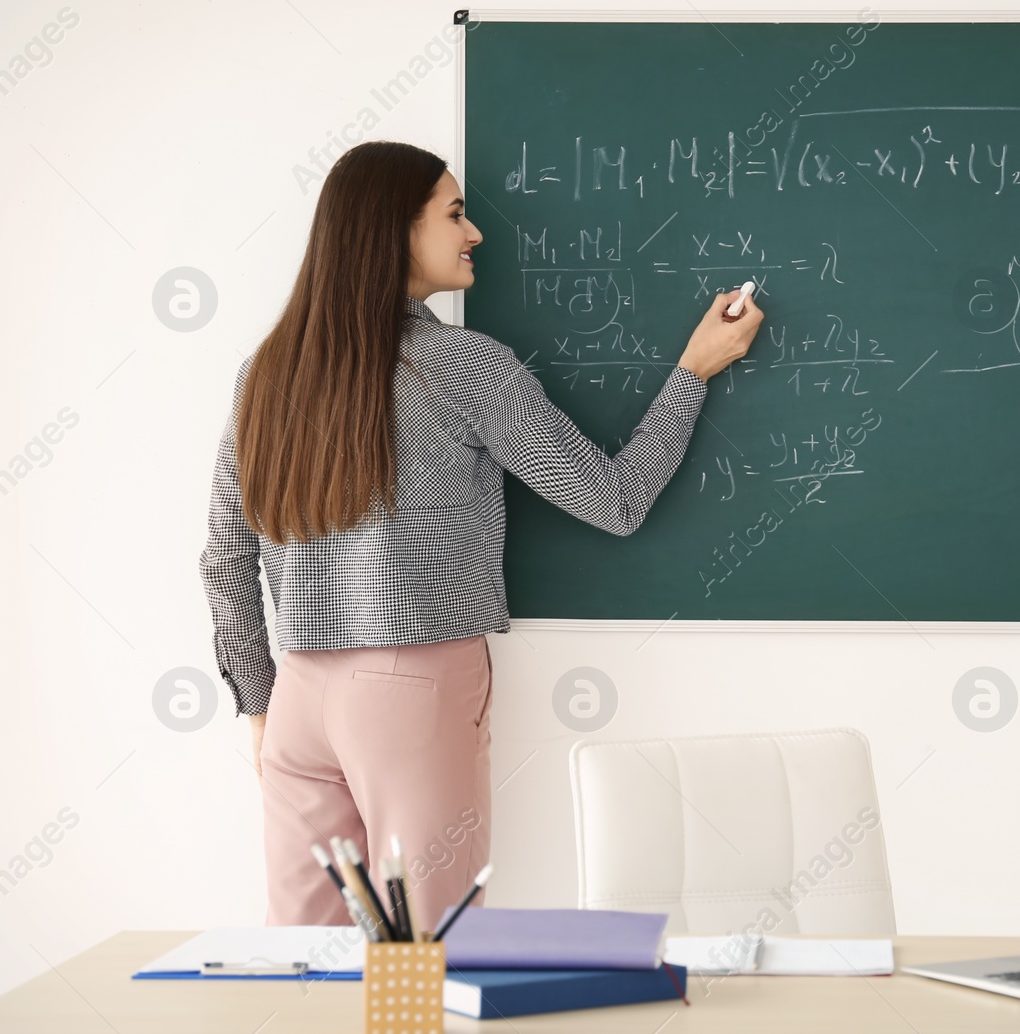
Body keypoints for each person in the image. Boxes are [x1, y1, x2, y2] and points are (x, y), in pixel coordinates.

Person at [198, 140, 763, 926]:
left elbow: (225, 556)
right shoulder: (465, 368)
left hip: (298, 695)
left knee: (309, 969)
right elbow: (616, 499)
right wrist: (693, 371)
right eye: (456, 214)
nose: (476, 234)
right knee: (426, 955)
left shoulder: (264, 373)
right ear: (395, 229)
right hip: (411, 688)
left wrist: (261, 706)